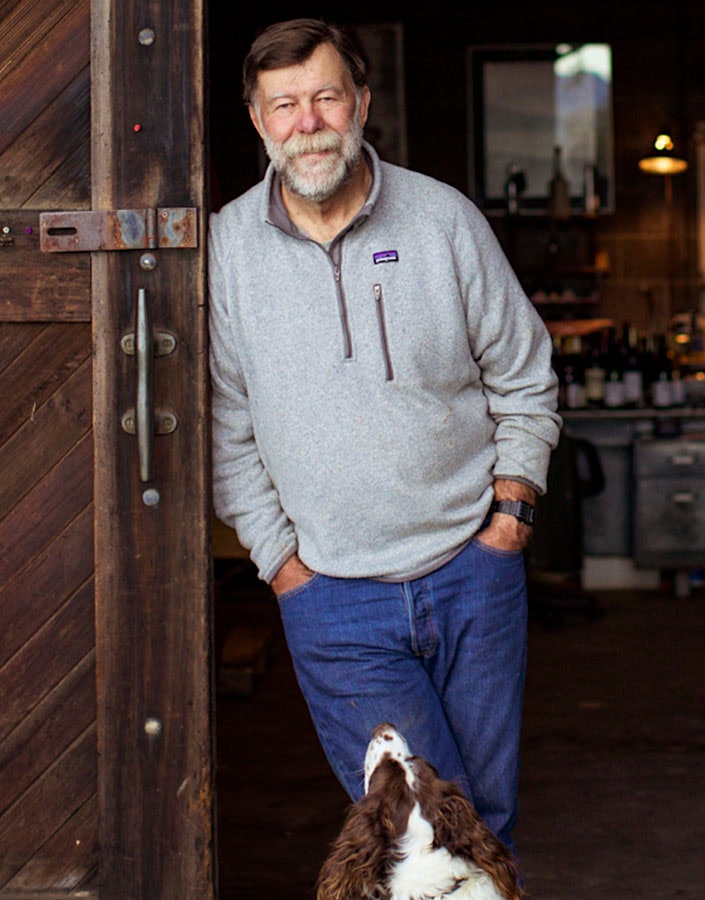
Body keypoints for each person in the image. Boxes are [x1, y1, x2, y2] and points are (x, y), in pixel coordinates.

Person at [208, 18, 561, 851]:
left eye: (326, 97)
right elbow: (226, 425)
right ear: (258, 122)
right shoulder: (226, 250)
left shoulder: (444, 220)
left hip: (473, 575)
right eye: (284, 104)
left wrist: (510, 518)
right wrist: (283, 566)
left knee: (488, 822)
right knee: (417, 829)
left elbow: (525, 372)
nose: (309, 122)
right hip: (334, 599)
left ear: (361, 103)